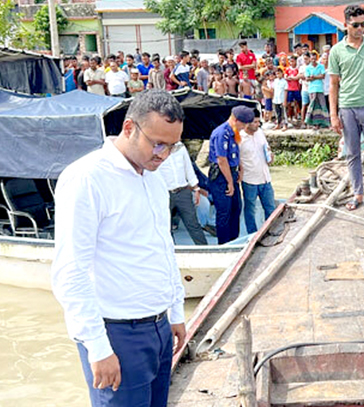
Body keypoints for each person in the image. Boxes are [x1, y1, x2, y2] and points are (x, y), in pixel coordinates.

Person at [51, 89, 187, 407]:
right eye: (157, 143)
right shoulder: (87, 179)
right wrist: (98, 347)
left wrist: (175, 310)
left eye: (172, 145)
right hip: (117, 334)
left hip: (159, 326)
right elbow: (70, 271)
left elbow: (162, 248)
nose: (164, 154)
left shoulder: (152, 176)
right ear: (129, 128)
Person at [329, 5, 364, 211]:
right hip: (347, 108)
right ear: (346, 25)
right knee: (352, 153)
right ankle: (357, 193)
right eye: (356, 25)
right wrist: (333, 114)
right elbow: (334, 84)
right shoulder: (336, 51)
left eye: (363, 24)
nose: (360, 28)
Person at [207, 106, 251, 244]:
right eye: (243, 124)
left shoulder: (234, 132)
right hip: (221, 176)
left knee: (236, 209)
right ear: (236, 120)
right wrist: (230, 182)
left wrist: (240, 169)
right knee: (224, 212)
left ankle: (234, 240)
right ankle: (224, 244)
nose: (244, 127)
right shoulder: (222, 133)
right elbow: (222, 160)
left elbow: (236, 153)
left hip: (232, 172)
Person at [158, 143, 208, 245]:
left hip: (183, 191)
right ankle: (171, 253)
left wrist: (196, 188)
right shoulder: (155, 147)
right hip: (164, 193)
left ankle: (204, 249)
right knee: (165, 227)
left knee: (193, 224)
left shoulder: (180, 147)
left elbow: (188, 168)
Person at [239, 109, 276, 234]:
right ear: (247, 123)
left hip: (265, 178)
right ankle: (252, 234)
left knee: (270, 208)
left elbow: (267, 148)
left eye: (258, 122)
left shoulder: (260, 132)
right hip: (249, 180)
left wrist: (271, 156)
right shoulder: (239, 138)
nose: (257, 125)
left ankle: (270, 231)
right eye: (254, 122)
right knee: (250, 210)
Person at [305, 51, 329, 129]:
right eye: (312, 58)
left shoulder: (321, 66)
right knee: (313, 106)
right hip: (312, 89)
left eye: (315, 59)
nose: (313, 60)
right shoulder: (308, 67)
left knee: (322, 106)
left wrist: (314, 77)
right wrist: (313, 77)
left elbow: (323, 76)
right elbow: (307, 78)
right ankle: (312, 123)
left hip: (320, 89)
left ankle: (324, 122)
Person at [285, 55, 302, 123]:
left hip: (296, 88)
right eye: (290, 61)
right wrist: (289, 77)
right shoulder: (287, 69)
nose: (291, 62)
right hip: (289, 88)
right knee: (289, 103)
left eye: (293, 61)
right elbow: (286, 76)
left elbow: (298, 77)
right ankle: (290, 116)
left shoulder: (298, 69)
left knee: (297, 103)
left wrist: (293, 78)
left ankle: (297, 115)